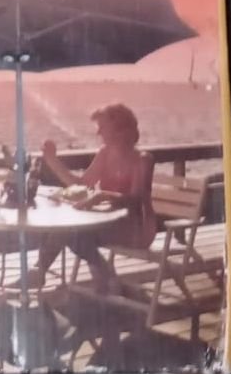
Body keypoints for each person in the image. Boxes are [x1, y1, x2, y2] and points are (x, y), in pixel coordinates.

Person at [33, 103, 155, 294]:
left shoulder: (143, 159)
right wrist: (52, 160)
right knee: (68, 229)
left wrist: (102, 196)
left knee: (71, 232)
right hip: (108, 221)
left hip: (136, 228)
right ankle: (103, 275)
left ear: (119, 128)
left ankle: (40, 272)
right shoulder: (105, 153)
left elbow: (136, 199)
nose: (98, 132)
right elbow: (82, 184)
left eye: (102, 126)